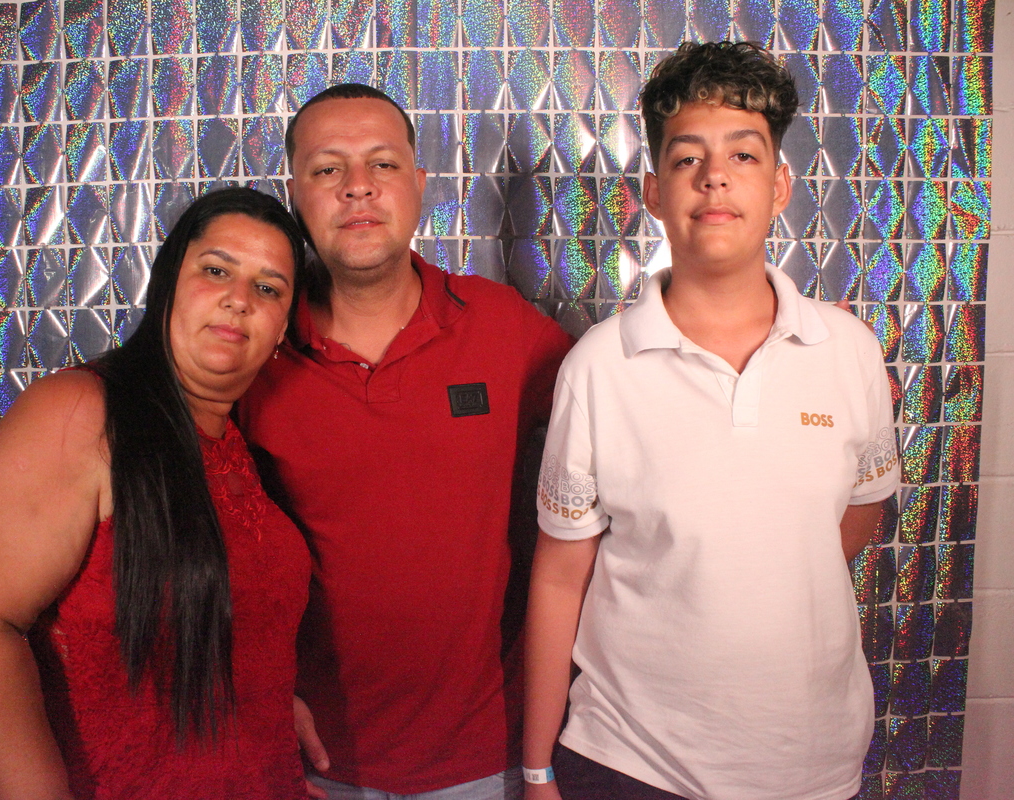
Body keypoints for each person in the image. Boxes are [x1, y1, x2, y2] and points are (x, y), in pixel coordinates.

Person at [522, 42, 900, 800]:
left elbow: (861, 513)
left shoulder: (848, 350)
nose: (715, 176)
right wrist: (536, 770)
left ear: (781, 184)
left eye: (743, 155)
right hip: (632, 763)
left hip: (814, 764)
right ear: (655, 192)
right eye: (688, 158)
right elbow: (560, 578)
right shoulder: (598, 367)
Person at [235, 84, 575, 798]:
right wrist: (248, 683)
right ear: (294, 193)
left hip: (488, 759)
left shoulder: (499, 323)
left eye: (382, 164)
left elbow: (623, 433)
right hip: (315, 763)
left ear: (420, 185)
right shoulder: (252, 350)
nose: (357, 186)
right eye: (328, 169)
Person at [0, 187, 313, 800]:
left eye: (268, 288)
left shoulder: (241, 445)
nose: (239, 299)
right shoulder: (83, 410)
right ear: (168, 285)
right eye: (216, 271)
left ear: (281, 327)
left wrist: (265, 710)